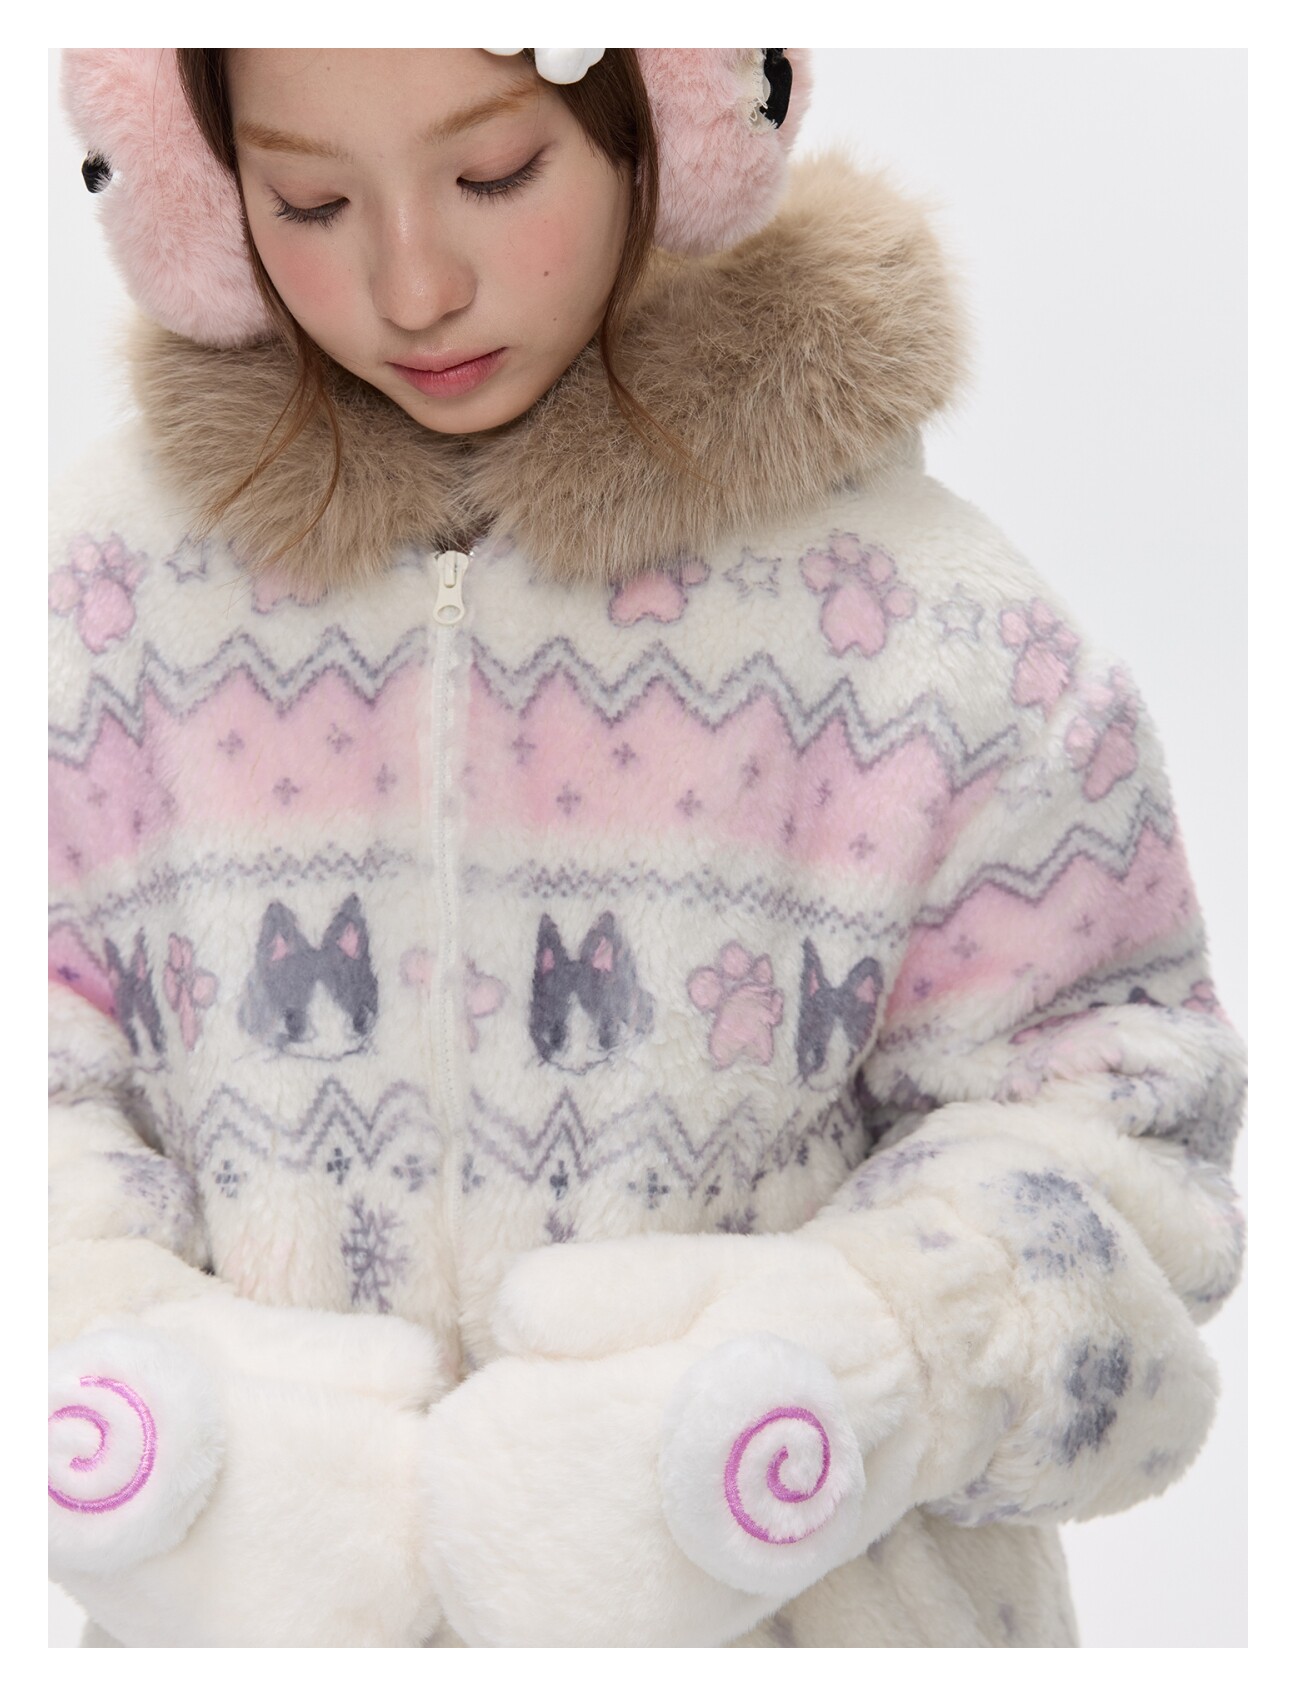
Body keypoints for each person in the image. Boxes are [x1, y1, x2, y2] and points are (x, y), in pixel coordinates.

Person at [48, 48, 1246, 1649]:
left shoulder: (922, 630)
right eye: (311, 201)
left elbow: (1122, 1123)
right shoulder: (106, 608)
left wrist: (838, 1381)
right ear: (197, 194)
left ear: (676, 122)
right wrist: (151, 1402)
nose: (413, 285)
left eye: (495, 177)